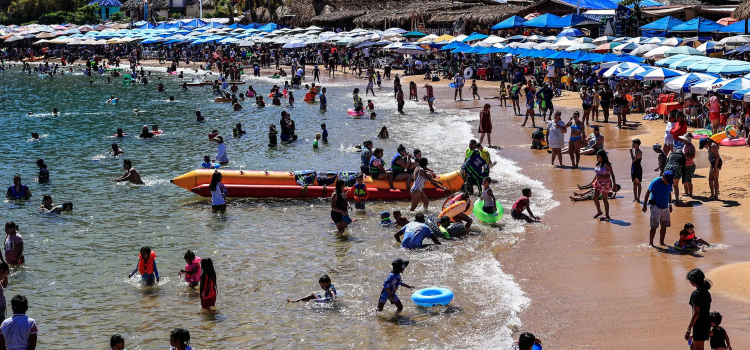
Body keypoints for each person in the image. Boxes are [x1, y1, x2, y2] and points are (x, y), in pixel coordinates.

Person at [642, 170, 674, 246]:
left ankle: (662, 242)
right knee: (654, 226)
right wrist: (644, 205)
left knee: (664, 225)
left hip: (665, 206)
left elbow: (669, 193)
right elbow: (648, 192)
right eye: (667, 181)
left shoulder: (670, 183)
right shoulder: (656, 181)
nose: (667, 183)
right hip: (655, 206)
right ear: (663, 177)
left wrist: (670, 204)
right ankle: (651, 243)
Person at [686, 268, 712, 350]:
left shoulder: (696, 293)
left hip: (700, 325)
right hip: (706, 323)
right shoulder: (707, 293)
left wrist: (688, 329)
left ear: (693, 282)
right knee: (692, 347)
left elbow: (696, 313)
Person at [593, 149, 616, 221]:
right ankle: (599, 211)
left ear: (602, 156)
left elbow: (612, 174)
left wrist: (614, 184)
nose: (597, 157)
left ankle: (607, 215)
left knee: (604, 199)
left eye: (598, 156)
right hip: (598, 183)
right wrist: (593, 182)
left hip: (605, 183)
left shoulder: (607, 164)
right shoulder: (598, 164)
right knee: (595, 197)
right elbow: (596, 174)